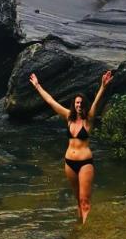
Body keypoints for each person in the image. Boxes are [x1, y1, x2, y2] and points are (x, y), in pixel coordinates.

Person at [29, 69, 113, 224]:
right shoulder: (68, 117)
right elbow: (51, 101)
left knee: (85, 202)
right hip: (69, 163)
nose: (79, 104)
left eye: (81, 102)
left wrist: (103, 86)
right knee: (77, 201)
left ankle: (86, 234)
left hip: (85, 163)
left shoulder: (89, 119)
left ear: (84, 105)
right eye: (77, 102)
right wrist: (37, 86)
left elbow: (96, 101)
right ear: (74, 105)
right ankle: (79, 227)